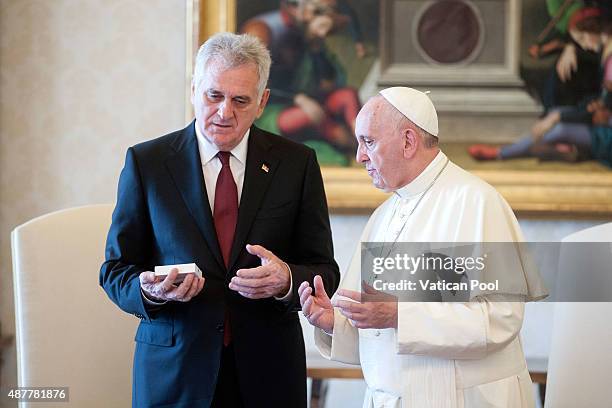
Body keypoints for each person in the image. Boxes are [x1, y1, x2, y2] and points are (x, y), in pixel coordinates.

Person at [99, 32, 340, 408]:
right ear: (194, 89)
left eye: (240, 100)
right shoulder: (147, 163)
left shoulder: (297, 164)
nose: (225, 112)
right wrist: (150, 291)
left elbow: (325, 268)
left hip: (268, 373)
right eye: (214, 95)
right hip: (174, 373)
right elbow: (114, 270)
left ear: (262, 102)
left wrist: (286, 279)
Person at [298, 87, 547, 407]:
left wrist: (399, 314)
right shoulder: (383, 216)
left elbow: (500, 319)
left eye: (368, 142)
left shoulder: (477, 202)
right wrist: (336, 322)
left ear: (408, 141)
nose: (359, 156)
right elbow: (377, 328)